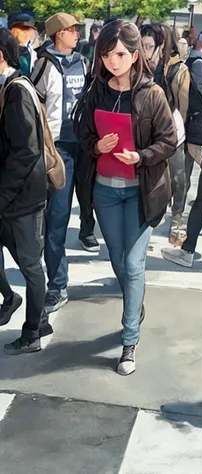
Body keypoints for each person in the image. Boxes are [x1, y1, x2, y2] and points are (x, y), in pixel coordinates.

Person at [76, 20, 177, 375]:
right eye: (106, 54)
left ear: (135, 55)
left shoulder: (153, 94)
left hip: (140, 191)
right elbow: (83, 133)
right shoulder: (96, 92)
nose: (112, 61)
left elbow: (168, 140)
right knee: (118, 260)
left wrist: (142, 156)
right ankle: (136, 304)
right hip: (104, 189)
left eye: (119, 54)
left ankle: (129, 340)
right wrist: (95, 145)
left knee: (134, 265)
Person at [30, 13, 99, 314]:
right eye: (72, 30)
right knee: (57, 219)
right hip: (59, 151)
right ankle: (57, 285)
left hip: (86, 146)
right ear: (59, 34)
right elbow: (32, 103)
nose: (77, 33)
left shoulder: (82, 62)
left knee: (92, 205)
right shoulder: (44, 64)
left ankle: (88, 232)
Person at [0, 28, 52, 355]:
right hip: (13, 196)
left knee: (31, 266)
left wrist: (3, 196)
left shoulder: (16, 92)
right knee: (27, 264)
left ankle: (33, 329)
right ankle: (11, 299)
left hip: (23, 199)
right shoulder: (9, 86)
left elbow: (27, 151)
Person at [161, 30, 202, 268]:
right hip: (201, 128)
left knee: (191, 182)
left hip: (199, 126)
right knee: (193, 182)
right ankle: (182, 231)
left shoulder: (199, 62)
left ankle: (184, 234)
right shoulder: (199, 63)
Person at [140, 23, 190, 246]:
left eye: (149, 46)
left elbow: (184, 106)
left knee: (178, 179)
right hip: (146, 134)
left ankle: (177, 219)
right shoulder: (136, 67)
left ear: (162, 46)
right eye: (141, 45)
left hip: (172, 132)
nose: (144, 50)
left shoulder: (178, 69)